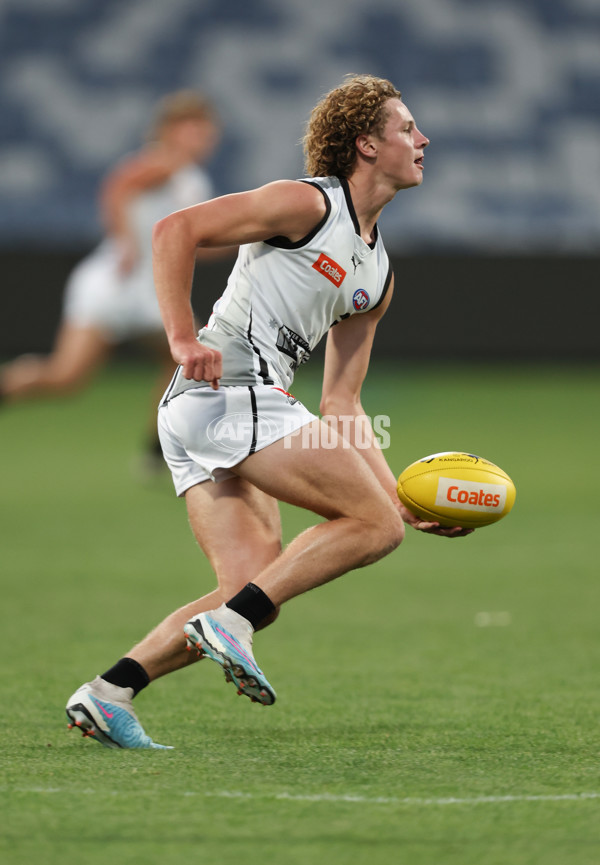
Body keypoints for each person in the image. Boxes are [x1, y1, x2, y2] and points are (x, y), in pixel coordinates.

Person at [65, 74, 472, 750]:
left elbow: (344, 400)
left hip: (216, 411)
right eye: (407, 128)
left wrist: (399, 495)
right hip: (230, 394)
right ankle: (234, 624)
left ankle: (110, 691)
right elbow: (176, 228)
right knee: (363, 534)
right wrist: (180, 337)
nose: (422, 139)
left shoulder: (378, 275)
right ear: (367, 145)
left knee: (251, 584)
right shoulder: (307, 203)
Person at [0, 90, 221, 469]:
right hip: (114, 283)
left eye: (205, 130)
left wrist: (253, 238)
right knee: (65, 377)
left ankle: (159, 451)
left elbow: (192, 246)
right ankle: (161, 452)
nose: (201, 138)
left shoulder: (190, 180)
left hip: (146, 290)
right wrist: (124, 240)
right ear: (169, 130)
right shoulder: (164, 163)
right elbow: (119, 185)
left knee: (188, 359)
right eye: (192, 129)